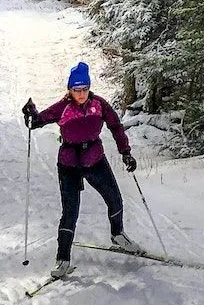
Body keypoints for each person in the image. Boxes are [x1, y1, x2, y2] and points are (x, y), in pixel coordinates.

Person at [22, 62, 141, 279]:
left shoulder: (99, 104)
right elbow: (37, 121)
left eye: (84, 89)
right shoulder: (63, 107)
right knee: (70, 213)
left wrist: (125, 152)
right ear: (70, 89)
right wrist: (30, 114)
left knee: (115, 199)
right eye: (76, 90)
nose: (81, 94)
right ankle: (63, 260)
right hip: (69, 164)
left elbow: (115, 126)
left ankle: (118, 235)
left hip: (95, 159)